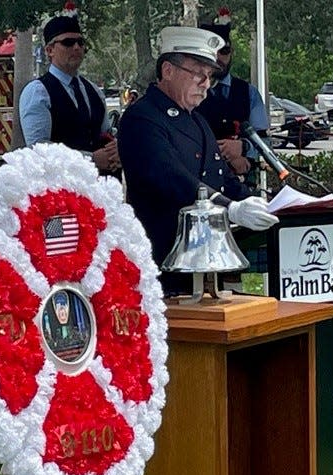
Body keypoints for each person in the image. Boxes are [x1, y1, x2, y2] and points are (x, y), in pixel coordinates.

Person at [118, 26, 279, 296]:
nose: (205, 84)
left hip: (204, 266)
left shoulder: (197, 121)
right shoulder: (142, 117)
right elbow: (171, 178)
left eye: (209, 77)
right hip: (162, 261)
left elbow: (223, 178)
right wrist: (229, 208)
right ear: (168, 70)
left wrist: (263, 205)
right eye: (197, 74)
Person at [19, 6, 120, 179]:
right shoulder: (38, 92)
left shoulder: (94, 90)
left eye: (81, 43)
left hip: (99, 189)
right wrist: (91, 159)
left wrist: (116, 149)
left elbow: (105, 134)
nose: (76, 48)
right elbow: (39, 149)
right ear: (49, 50)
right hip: (60, 190)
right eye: (68, 43)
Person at [196, 8, 270, 186]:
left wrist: (243, 148)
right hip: (201, 184)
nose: (219, 58)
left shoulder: (248, 93)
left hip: (242, 185)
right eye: (214, 52)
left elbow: (265, 142)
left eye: (225, 51)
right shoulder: (190, 91)